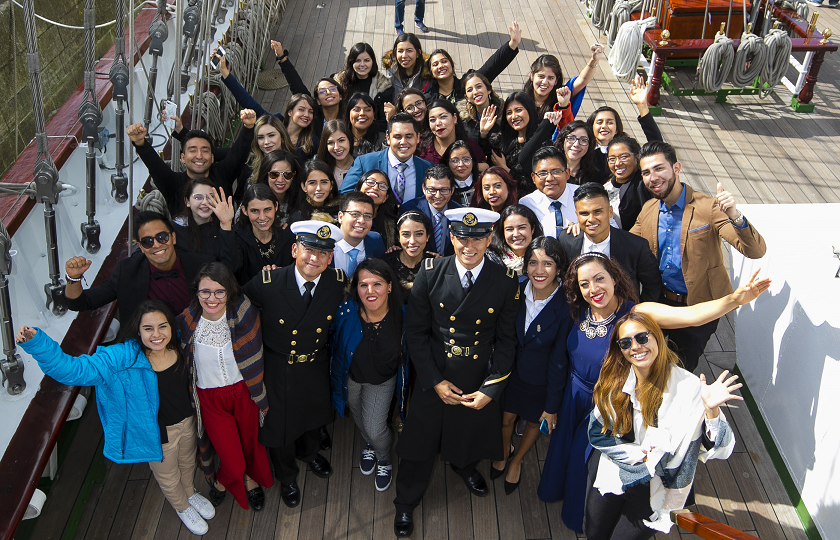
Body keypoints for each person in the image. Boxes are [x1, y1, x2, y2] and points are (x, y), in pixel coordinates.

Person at [537, 251, 769, 533]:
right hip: (575, 396)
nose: (593, 289)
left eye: (599, 279)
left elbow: (692, 315)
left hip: (616, 404)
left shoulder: (638, 313)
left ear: (614, 278)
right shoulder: (577, 310)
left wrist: (734, 300)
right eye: (584, 284)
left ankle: (583, 517)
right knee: (570, 457)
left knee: (594, 466)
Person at [16, 301, 215, 535]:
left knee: (188, 462)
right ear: (138, 331)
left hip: (186, 423)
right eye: (148, 328)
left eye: (162, 326)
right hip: (158, 435)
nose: (157, 334)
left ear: (171, 327)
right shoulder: (121, 358)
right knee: (169, 476)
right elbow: (72, 370)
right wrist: (37, 343)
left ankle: (190, 493)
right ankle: (182, 507)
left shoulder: (179, 344)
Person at [393, 208, 520, 538]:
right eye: (462, 237)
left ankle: (463, 466)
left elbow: (507, 342)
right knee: (419, 444)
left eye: (478, 238)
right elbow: (416, 333)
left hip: (477, 376)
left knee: (468, 434)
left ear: (489, 239)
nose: (469, 245)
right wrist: (434, 381)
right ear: (451, 237)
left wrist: (490, 389)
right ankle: (405, 502)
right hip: (435, 372)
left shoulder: (504, 281)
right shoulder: (431, 272)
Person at [585, 311, 740, 538]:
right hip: (613, 468)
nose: (635, 347)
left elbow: (723, 449)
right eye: (626, 342)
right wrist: (637, 455)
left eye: (642, 337)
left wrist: (712, 410)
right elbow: (597, 432)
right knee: (594, 533)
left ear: (657, 336)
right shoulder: (614, 379)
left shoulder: (689, 387)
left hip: (654, 487)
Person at [630, 141, 767, 372]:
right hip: (660, 303)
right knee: (652, 361)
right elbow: (627, 246)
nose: (653, 177)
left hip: (701, 304)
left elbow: (755, 251)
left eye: (659, 168)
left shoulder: (709, 207)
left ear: (676, 168)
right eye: (646, 172)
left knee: (681, 368)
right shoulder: (649, 210)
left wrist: (735, 215)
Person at [241, 221, 348, 508]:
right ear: (294, 249)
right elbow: (237, 309)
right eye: (309, 250)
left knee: (313, 416)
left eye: (323, 253)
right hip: (279, 367)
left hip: (316, 364)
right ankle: (287, 475)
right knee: (279, 425)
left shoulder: (336, 282)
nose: (315, 258)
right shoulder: (268, 283)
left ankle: (310, 454)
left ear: (330, 258)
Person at [176, 263, 273, 512]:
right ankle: (223, 481)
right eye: (205, 291)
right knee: (231, 457)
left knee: (252, 445)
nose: (212, 298)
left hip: (244, 392)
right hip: (210, 399)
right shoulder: (187, 322)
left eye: (219, 292)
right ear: (196, 292)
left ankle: (251, 482)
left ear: (229, 291)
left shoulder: (245, 312)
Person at [491, 237, 571, 494]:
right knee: (505, 420)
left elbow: (560, 360)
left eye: (548, 264)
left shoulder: (567, 307)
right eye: (533, 262)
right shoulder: (515, 288)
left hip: (541, 379)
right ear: (524, 266)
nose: (539, 270)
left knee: (534, 423)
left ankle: (517, 460)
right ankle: (505, 449)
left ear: (559, 268)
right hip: (510, 372)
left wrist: (552, 405)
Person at [329, 259, 409, 491]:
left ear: (390, 286)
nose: (370, 291)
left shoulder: (405, 317)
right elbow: (332, 340)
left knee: (375, 427)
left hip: (383, 381)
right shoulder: (346, 311)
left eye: (378, 284)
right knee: (359, 418)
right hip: (351, 378)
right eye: (363, 285)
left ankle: (383, 458)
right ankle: (370, 445)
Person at [65, 211, 214, 322]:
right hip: (148, 349)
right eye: (148, 241)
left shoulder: (202, 265)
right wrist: (73, 277)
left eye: (162, 237)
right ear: (141, 247)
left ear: (173, 237)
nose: (156, 245)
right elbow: (81, 302)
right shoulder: (127, 271)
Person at [126, 109, 257, 217]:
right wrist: (140, 143)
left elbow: (239, 153)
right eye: (193, 150)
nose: (199, 156)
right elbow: (154, 165)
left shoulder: (223, 173)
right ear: (182, 157)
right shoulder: (173, 184)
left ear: (212, 157)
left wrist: (248, 127)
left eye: (205, 151)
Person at [558, 183, 661, 302]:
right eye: (584, 213)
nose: (591, 219)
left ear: (610, 212)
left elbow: (653, 285)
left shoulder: (636, 246)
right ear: (577, 215)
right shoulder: (566, 240)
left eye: (597, 212)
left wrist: (638, 313)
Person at [340, 113, 433, 205]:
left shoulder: (428, 168)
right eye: (397, 137)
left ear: (418, 138)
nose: (403, 142)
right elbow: (344, 196)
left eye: (409, 136)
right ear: (388, 138)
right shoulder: (364, 163)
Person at [586, 75, 662, 186]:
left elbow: (657, 146)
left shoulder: (628, 149)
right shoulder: (584, 151)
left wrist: (642, 106)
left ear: (617, 129)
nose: (604, 126)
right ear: (591, 127)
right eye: (599, 122)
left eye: (610, 122)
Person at [211, 185, 295, 284]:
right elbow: (231, 268)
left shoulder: (287, 236)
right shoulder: (237, 236)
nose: (262, 217)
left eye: (267, 209)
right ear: (244, 210)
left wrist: (282, 273)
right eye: (255, 211)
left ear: (276, 206)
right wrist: (226, 224)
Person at [494, 91, 573, 194]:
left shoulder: (542, 143)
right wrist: (483, 133)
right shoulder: (502, 138)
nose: (513, 116)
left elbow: (534, 184)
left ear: (529, 110)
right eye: (509, 113)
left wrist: (506, 170)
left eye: (518, 110)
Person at [422, 21, 521, 103]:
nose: (440, 66)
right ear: (430, 71)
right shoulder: (428, 98)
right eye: (435, 64)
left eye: (444, 61)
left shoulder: (467, 86)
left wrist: (512, 44)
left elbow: (491, 67)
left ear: (451, 65)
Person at [398, 164, 462, 256]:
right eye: (432, 190)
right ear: (424, 188)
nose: (438, 196)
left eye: (443, 190)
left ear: (452, 190)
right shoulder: (409, 209)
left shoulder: (460, 213)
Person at [524, 48, 603, 119]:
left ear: (556, 80)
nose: (544, 82)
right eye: (541, 76)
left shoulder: (561, 96)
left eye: (551, 78)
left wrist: (593, 60)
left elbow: (582, 80)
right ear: (532, 75)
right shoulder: (521, 99)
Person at [519, 146, 580, 238]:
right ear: (533, 178)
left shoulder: (584, 196)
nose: (549, 178)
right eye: (542, 173)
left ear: (567, 174)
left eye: (556, 171)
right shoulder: (527, 203)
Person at [382, 211, 435, 302]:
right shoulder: (385, 265)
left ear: (427, 237)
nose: (412, 241)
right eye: (406, 234)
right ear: (398, 237)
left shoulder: (436, 265)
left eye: (419, 234)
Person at [418, 99, 486, 166]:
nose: (438, 123)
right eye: (432, 120)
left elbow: (484, 168)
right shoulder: (421, 147)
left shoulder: (471, 146)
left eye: (443, 117)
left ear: (455, 118)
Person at [333, 192, 386, 276]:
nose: (361, 220)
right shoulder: (325, 244)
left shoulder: (376, 241)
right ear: (340, 217)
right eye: (355, 214)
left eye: (367, 216)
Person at [486, 204, 543, 275]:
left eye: (522, 228)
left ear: (532, 229)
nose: (516, 234)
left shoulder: (545, 257)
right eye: (509, 229)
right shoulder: (490, 260)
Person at [172, 178, 222, 258]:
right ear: (187, 201)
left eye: (210, 197)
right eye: (198, 197)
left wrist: (227, 225)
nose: (205, 202)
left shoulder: (223, 224)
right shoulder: (176, 229)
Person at [254, 149, 301, 226]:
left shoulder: (300, 198)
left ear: (293, 175)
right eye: (274, 174)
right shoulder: (254, 196)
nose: (280, 180)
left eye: (287, 174)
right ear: (266, 174)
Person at [356, 169, 400, 247]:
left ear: (385, 198)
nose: (376, 188)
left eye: (382, 186)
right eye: (370, 182)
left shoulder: (393, 225)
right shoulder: (341, 215)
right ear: (360, 187)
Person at [441, 139, 482, 206]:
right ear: (447, 163)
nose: (461, 164)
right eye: (455, 160)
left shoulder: (483, 183)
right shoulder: (443, 187)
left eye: (466, 159)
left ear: (473, 161)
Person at [556, 120, 598, 185]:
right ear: (563, 140)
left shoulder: (594, 177)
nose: (576, 144)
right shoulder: (550, 170)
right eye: (571, 138)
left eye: (583, 140)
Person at [317, 120, 356, 185]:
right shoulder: (320, 167)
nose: (336, 147)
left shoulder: (362, 166)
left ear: (350, 140)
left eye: (341, 140)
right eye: (331, 143)